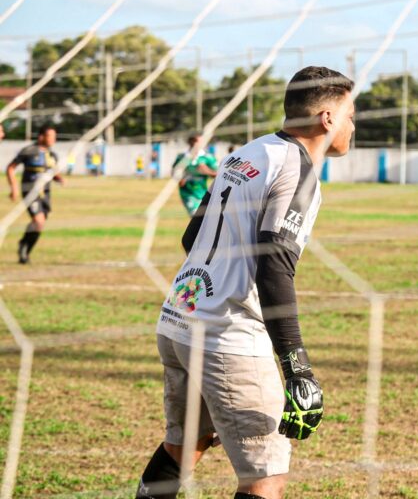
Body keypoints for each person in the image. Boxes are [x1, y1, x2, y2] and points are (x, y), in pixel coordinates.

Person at [136, 66, 355, 499]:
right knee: (265, 476)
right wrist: (297, 367)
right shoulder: (299, 169)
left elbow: (191, 236)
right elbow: (273, 265)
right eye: (351, 114)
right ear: (327, 117)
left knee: (183, 447)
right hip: (228, 337)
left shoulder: (248, 153)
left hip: (180, 319)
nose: (354, 124)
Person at [6, 125, 64, 264]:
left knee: (39, 224)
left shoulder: (52, 155)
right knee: (38, 221)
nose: (53, 140)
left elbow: (52, 172)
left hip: (45, 194)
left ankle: (24, 247)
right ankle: (24, 250)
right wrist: (14, 188)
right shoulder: (29, 151)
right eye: (51, 136)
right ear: (41, 136)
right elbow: (11, 168)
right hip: (30, 193)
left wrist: (59, 178)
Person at [173, 134, 218, 216]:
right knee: (196, 216)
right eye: (196, 141)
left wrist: (207, 171)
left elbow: (220, 174)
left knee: (204, 219)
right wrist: (179, 178)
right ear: (190, 142)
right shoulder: (182, 157)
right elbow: (174, 171)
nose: (199, 144)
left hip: (203, 193)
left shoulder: (208, 157)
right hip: (187, 193)